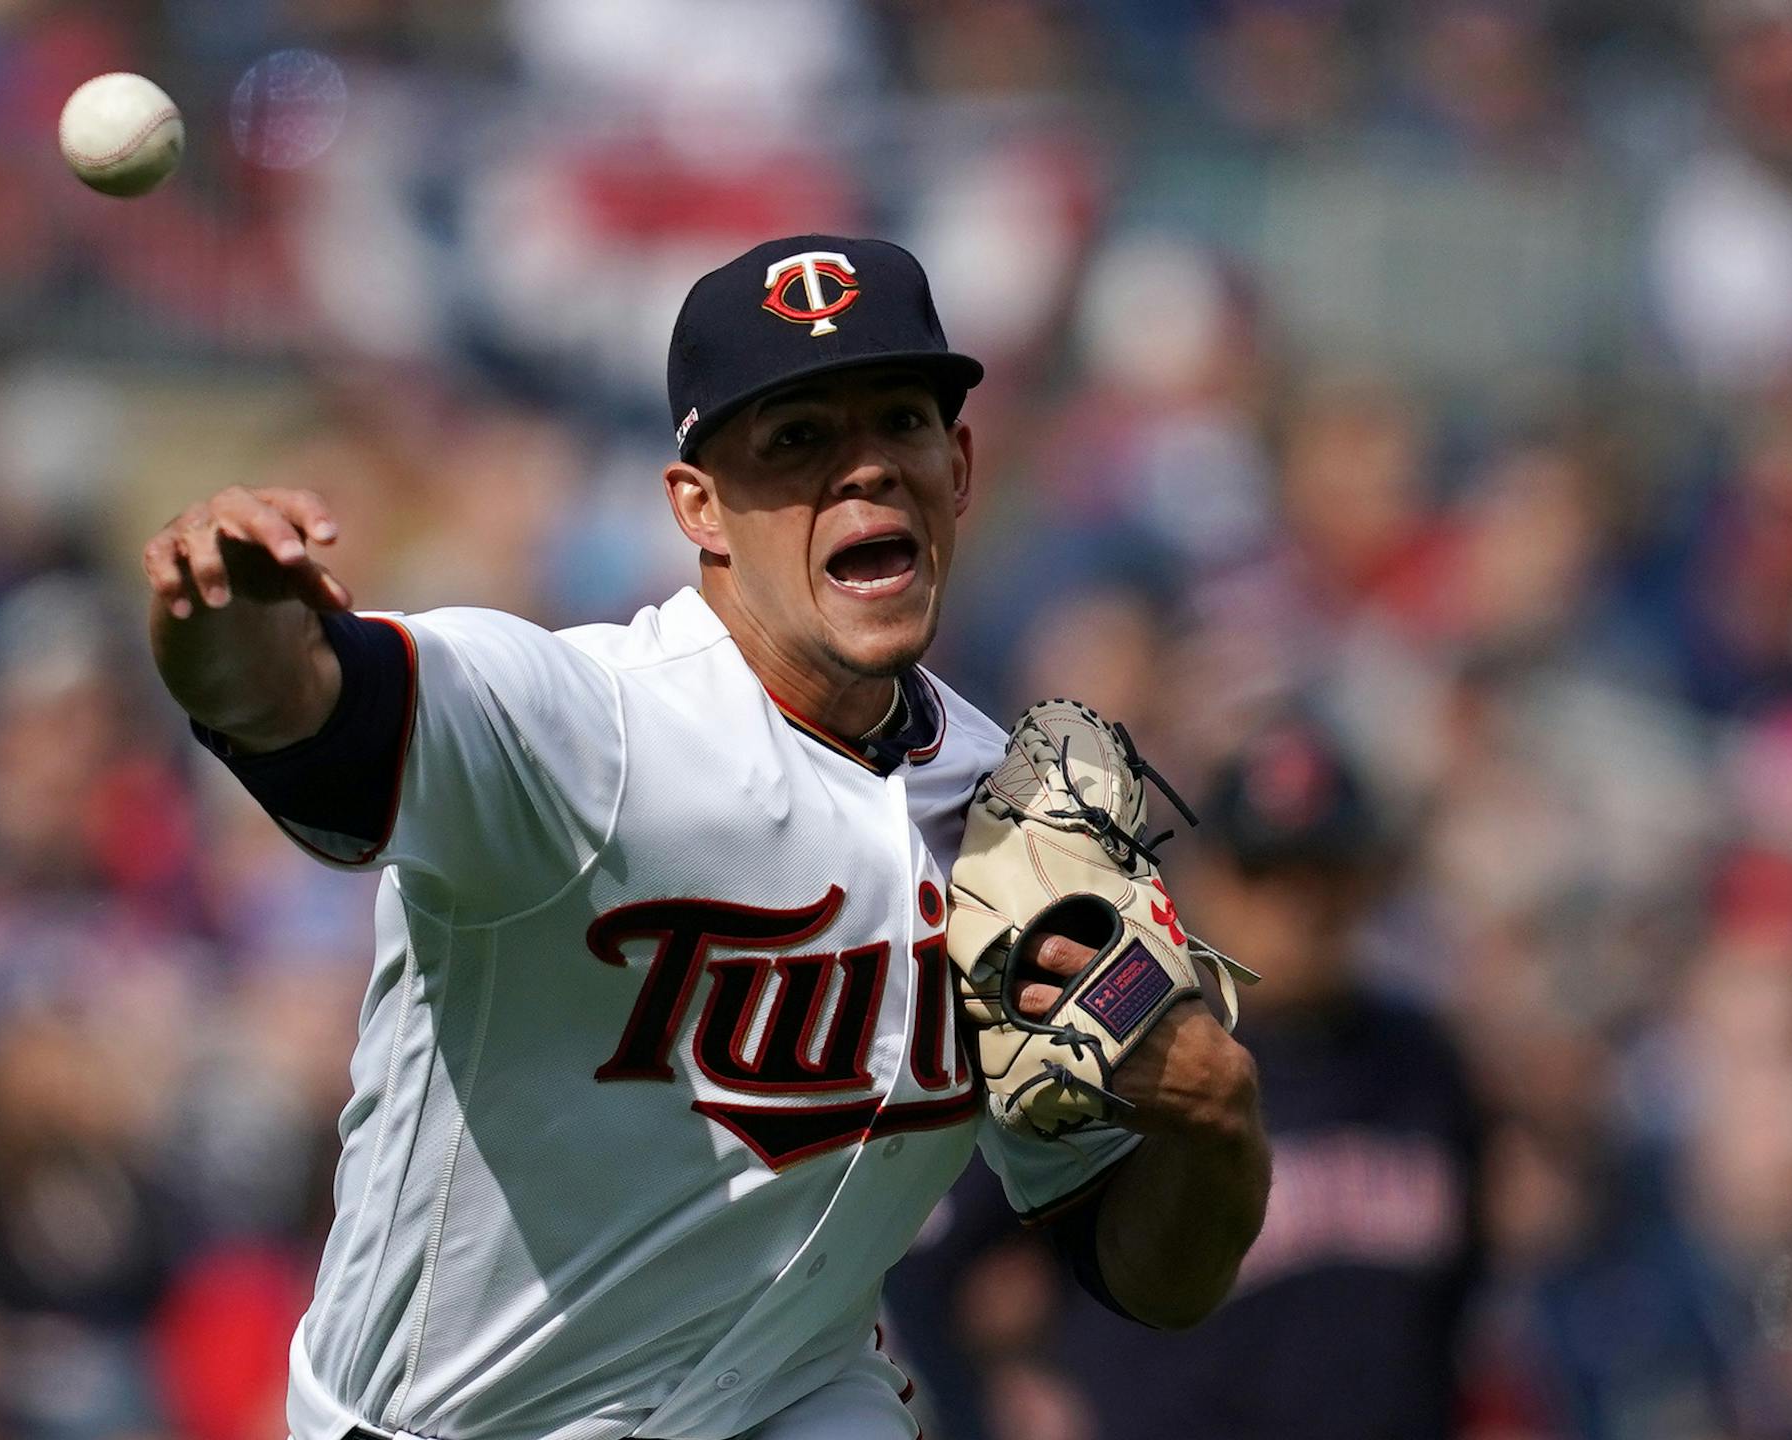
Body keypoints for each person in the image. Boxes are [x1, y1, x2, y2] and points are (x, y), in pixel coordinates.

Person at [138, 236, 1270, 1440]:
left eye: (900, 420)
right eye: (797, 440)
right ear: (699, 506)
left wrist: (1218, 1121)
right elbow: (308, 704)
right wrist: (221, 620)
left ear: (960, 465)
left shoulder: (1010, 826)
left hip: (790, 1401)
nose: (865, 468)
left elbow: (1153, 1280)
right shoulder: (590, 728)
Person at [1057, 716, 1482, 1440]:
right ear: (1203, 883)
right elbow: (954, 1263)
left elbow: (1464, 1301)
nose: (1301, 909)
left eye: (1325, 872)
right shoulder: (1132, 1057)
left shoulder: (1424, 1061)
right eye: (1267, 874)